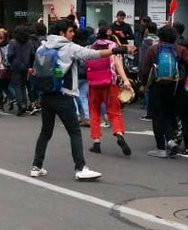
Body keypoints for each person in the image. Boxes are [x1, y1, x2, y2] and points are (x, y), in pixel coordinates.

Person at [30, 19, 134, 182]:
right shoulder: (69, 47)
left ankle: (36, 166)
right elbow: (93, 54)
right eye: (71, 31)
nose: (73, 34)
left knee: (45, 131)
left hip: (46, 95)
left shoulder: (43, 46)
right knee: (75, 132)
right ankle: (81, 168)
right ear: (62, 33)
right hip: (64, 95)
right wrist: (118, 50)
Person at [140, 25, 188, 158]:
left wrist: (143, 84)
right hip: (176, 86)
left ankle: (161, 146)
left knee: (158, 115)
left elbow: (145, 68)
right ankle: (171, 140)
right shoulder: (180, 49)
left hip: (157, 86)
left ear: (160, 36)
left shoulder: (153, 49)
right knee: (170, 114)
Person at [86, 25, 133, 156]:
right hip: (110, 83)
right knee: (115, 111)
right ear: (109, 34)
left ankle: (96, 141)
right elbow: (118, 64)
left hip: (94, 84)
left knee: (94, 112)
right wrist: (126, 80)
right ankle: (118, 133)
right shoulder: (113, 46)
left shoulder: (91, 47)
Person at [8, 26, 36, 116]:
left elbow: (10, 55)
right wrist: (30, 66)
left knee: (16, 85)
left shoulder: (13, 42)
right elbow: (32, 55)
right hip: (26, 65)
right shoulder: (29, 42)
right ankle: (24, 102)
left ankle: (21, 104)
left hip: (15, 66)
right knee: (23, 85)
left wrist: (11, 62)